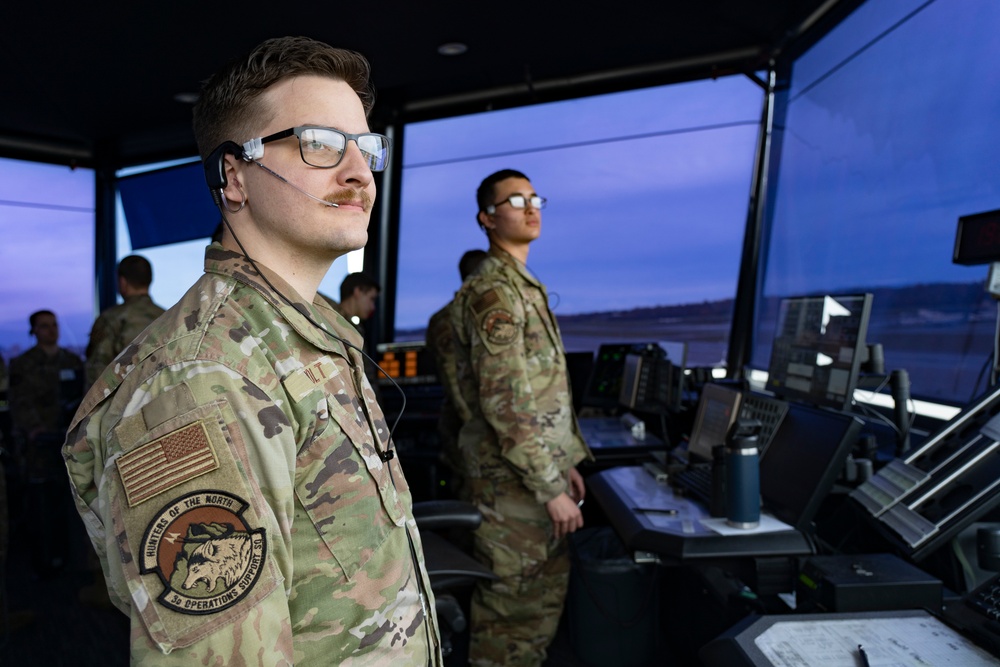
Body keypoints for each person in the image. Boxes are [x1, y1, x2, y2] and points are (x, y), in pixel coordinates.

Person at [63, 36, 441, 665]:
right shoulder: (205, 374)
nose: (358, 173)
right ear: (235, 176)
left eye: (365, 147)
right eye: (320, 143)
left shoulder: (307, 331)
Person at [449, 169, 592, 666]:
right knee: (511, 621)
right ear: (487, 219)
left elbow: (539, 395)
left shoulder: (521, 286)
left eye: (534, 198)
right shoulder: (495, 295)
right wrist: (550, 487)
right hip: (514, 490)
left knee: (538, 612)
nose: (530, 207)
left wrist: (565, 461)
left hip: (533, 476)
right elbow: (506, 406)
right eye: (514, 200)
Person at [10, 310, 84, 575]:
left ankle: (72, 562)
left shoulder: (73, 362)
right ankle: (45, 563)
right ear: (34, 331)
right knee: (42, 505)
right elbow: (19, 402)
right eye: (44, 326)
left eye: (54, 325)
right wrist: (34, 429)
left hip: (70, 442)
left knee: (71, 504)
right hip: (39, 445)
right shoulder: (23, 364)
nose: (51, 330)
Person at [425, 249, 488, 499]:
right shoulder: (449, 320)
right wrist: (483, 440)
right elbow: (456, 386)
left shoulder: (472, 314)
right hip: (469, 433)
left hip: (479, 429)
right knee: (473, 499)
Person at [84, 254, 165, 387]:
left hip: (123, 404)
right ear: (149, 280)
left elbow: (97, 372)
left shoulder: (110, 319)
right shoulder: (167, 316)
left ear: (122, 282)